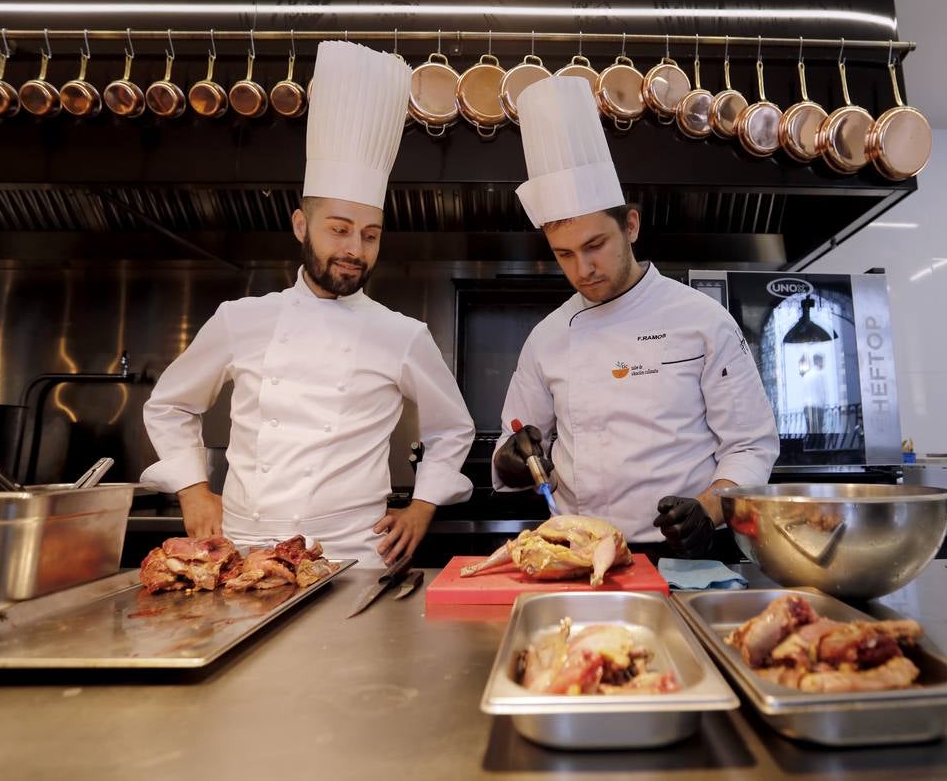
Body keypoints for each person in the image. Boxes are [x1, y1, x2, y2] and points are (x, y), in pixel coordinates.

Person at [141, 41, 474, 568]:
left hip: (354, 554)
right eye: (339, 230)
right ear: (301, 226)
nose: (354, 250)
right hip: (243, 550)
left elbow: (451, 429)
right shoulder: (240, 320)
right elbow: (171, 405)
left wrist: (421, 508)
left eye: (370, 235)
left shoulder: (402, 334)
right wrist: (192, 489)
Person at [491, 76, 778, 558]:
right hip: (576, 552)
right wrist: (513, 460)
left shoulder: (703, 320)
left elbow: (751, 446)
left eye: (595, 246)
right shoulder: (547, 338)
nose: (582, 269)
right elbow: (515, 444)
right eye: (563, 254)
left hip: (684, 552)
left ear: (630, 225)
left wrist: (708, 509)